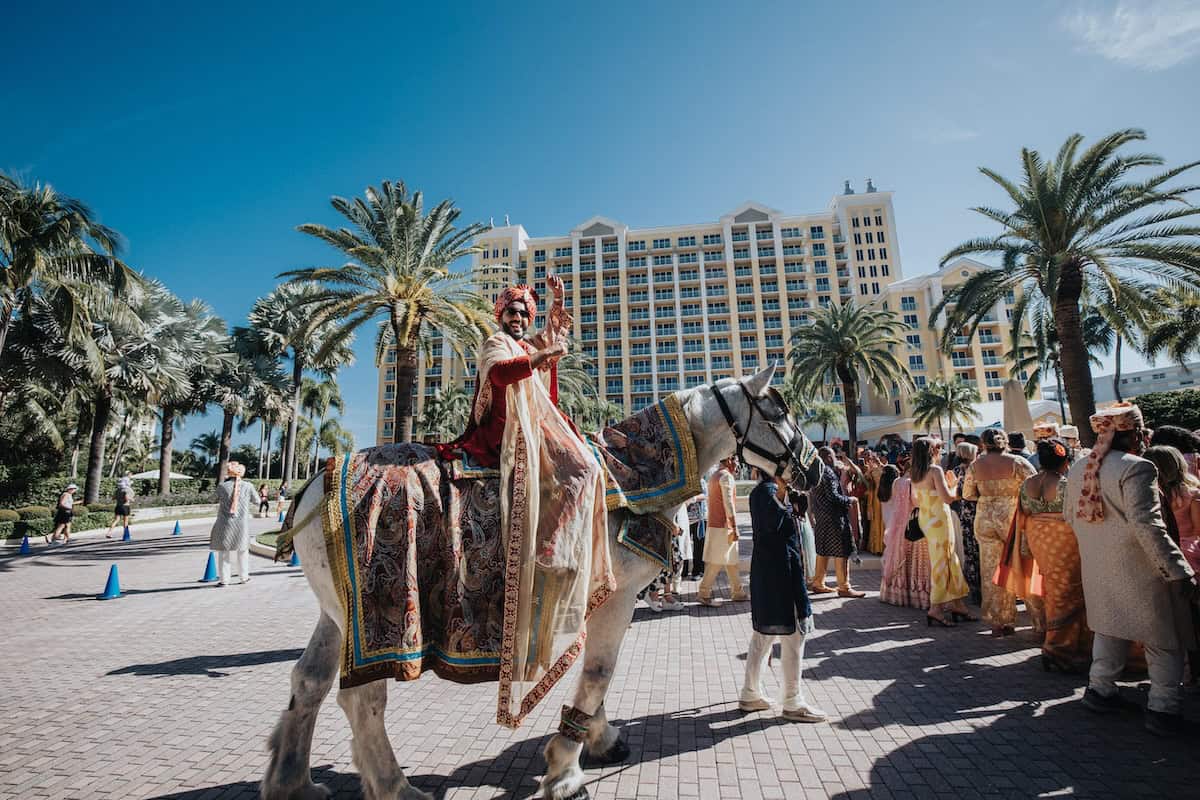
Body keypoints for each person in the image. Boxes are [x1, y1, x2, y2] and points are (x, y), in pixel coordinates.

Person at [438, 277, 611, 725]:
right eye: (512, 313)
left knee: (587, 458)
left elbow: (555, 342)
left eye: (523, 314)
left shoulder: (526, 341)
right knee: (583, 469)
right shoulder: (497, 343)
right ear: (501, 316)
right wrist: (537, 358)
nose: (517, 320)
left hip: (532, 428)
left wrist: (557, 301)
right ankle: (551, 545)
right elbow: (499, 375)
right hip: (505, 434)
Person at [1064, 403, 1198, 736]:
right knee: (1164, 639)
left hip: (1098, 565)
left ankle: (1101, 689)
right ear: (1135, 433)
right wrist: (1179, 570)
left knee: (1109, 628)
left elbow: (1070, 516)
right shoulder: (1138, 468)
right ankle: (1163, 709)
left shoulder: (1081, 466)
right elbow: (1148, 526)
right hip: (1142, 568)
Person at [739, 473, 827, 723]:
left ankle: (751, 692)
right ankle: (792, 700)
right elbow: (774, 525)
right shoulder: (768, 493)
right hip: (781, 575)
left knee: (764, 636)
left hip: (770, 573)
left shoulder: (763, 492)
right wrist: (784, 499)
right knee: (793, 637)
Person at [1018, 438, 1092, 673]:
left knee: (1052, 587)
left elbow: (1025, 512)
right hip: (1063, 540)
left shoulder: (1027, 483)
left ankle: (1058, 643)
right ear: (1065, 461)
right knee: (1070, 591)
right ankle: (1061, 646)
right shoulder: (1065, 484)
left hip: (1039, 539)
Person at [963, 427, 1036, 636]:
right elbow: (1034, 486)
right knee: (1024, 566)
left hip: (985, 518)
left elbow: (968, 494)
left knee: (991, 571)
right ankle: (1040, 620)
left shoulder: (975, 466)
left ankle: (999, 621)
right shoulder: (1018, 462)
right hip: (1012, 516)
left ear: (983, 444)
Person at [910, 437, 975, 626]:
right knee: (943, 561)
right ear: (932, 451)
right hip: (939, 518)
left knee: (947, 559)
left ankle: (958, 605)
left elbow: (916, 500)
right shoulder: (934, 470)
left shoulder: (915, 472)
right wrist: (955, 485)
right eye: (938, 447)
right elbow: (947, 498)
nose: (940, 450)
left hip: (927, 518)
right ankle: (936, 608)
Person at [878, 464, 931, 609]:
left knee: (897, 558)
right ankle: (915, 594)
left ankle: (896, 592)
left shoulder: (897, 482)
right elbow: (916, 502)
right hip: (913, 524)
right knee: (914, 561)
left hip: (899, 526)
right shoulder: (911, 483)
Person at [699, 455, 746, 606]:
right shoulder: (726, 477)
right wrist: (734, 526)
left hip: (715, 524)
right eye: (736, 461)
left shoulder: (714, 476)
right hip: (724, 526)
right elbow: (729, 504)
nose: (737, 464)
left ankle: (738, 592)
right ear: (729, 460)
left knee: (731, 561)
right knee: (716, 562)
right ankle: (704, 592)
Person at [209, 462, 260, 586]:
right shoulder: (248, 486)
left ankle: (224, 580)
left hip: (224, 523)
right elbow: (257, 501)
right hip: (241, 524)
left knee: (223, 553)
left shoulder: (222, 486)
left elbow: (211, 499)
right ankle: (244, 577)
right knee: (242, 551)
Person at [950, 442, 982, 606]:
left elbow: (955, 494)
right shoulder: (977, 469)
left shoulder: (956, 471)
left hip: (964, 513)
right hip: (979, 511)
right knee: (981, 550)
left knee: (970, 552)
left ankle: (974, 590)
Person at [862, 450, 887, 555]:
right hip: (874, 497)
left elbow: (890, 474)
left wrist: (879, 464)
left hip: (884, 495)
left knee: (883, 520)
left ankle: (883, 546)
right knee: (875, 520)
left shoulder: (886, 467)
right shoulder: (872, 470)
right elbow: (864, 479)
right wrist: (869, 468)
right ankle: (876, 547)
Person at [684, 492, 706, 579]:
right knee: (683, 546)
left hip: (698, 520)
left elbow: (705, 495)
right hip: (683, 520)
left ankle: (697, 572)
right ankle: (683, 572)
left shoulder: (700, 481)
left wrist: (691, 499)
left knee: (699, 547)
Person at [105, 474, 134, 538]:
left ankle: (109, 532)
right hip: (125, 506)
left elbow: (113, 498)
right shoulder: (127, 490)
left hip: (118, 506)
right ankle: (126, 534)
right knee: (125, 521)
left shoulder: (117, 490)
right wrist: (131, 499)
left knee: (116, 520)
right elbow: (126, 498)